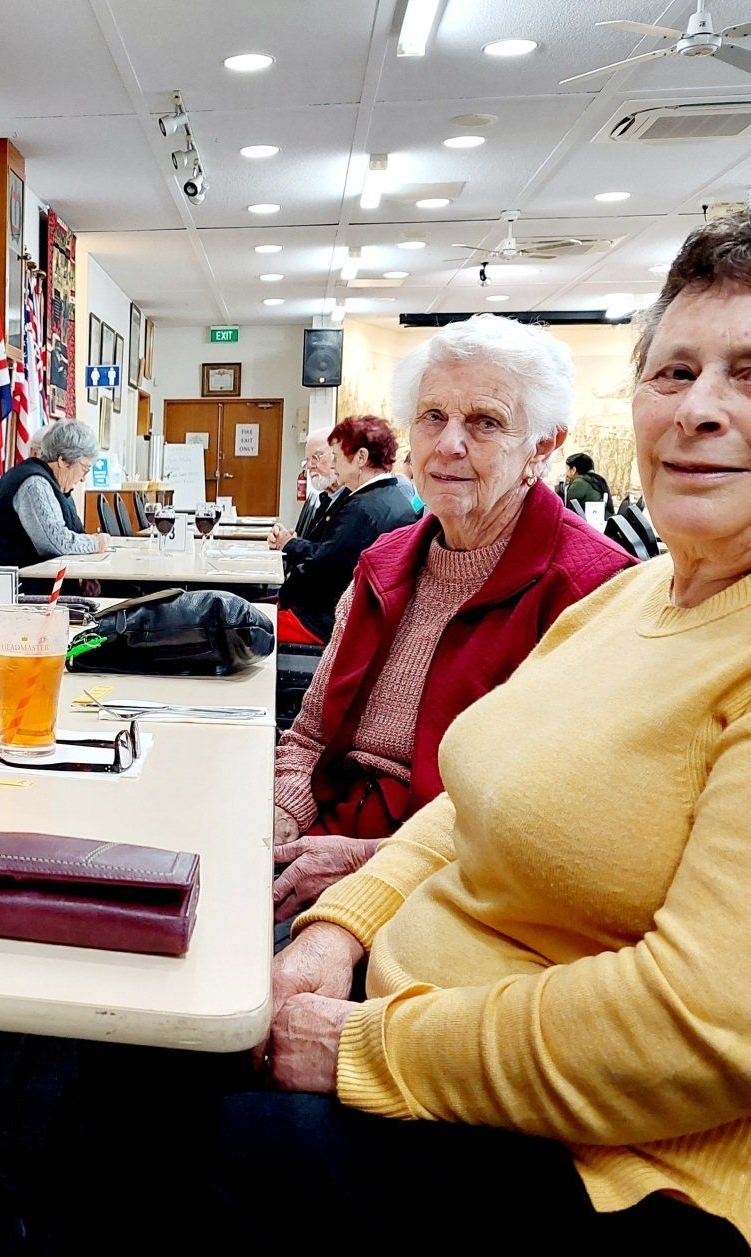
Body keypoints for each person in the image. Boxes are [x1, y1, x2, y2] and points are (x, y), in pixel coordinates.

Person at [235, 202, 751, 1257]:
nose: (699, 409)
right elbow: (468, 803)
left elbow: (708, 1028)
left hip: (688, 1180)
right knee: (146, 1028)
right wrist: (339, 930)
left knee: (187, 1130)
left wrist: (368, 1048)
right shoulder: (659, 587)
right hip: (458, 1035)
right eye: (673, 372)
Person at [271, 317, 634, 917]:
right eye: (433, 416)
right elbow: (310, 732)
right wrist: (280, 815)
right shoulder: (382, 565)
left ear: (543, 446)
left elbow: (553, 832)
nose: (448, 445)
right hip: (322, 841)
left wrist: (373, 863)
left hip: (452, 898)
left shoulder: (590, 591)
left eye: (485, 422)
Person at [266, 414, 419, 643]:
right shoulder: (392, 496)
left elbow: (321, 568)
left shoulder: (363, 508)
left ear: (361, 457)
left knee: (244, 626)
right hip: (352, 617)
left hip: (325, 622)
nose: (334, 464)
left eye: (336, 456)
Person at [0, 417, 110, 565]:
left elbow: (72, 532)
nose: (83, 479)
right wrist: (95, 543)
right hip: (19, 582)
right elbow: (55, 542)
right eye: (84, 468)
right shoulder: (34, 484)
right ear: (62, 460)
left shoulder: (52, 484)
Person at [294, 431, 341, 536]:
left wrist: (290, 543)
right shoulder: (324, 498)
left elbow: (328, 549)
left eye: (315, 458)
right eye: (307, 460)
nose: (310, 466)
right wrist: (289, 538)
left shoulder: (353, 500)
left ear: (337, 456)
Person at [562, 450, 614, 520]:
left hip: (591, 525)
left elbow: (568, 513)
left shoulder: (579, 483)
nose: (566, 473)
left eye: (568, 469)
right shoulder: (597, 480)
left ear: (574, 470)